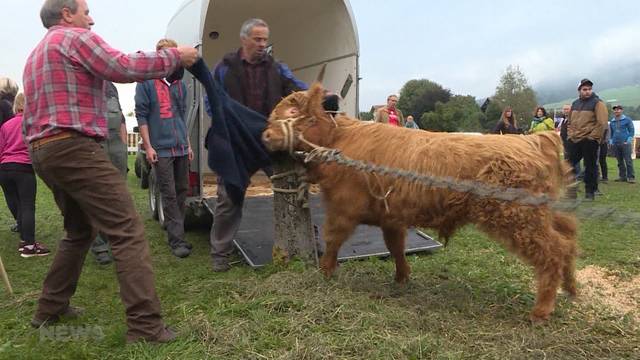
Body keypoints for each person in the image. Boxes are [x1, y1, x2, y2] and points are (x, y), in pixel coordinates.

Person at [23, 0, 198, 343]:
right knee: (127, 230)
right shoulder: (74, 38)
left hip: (43, 151)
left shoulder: (36, 54)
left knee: (78, 231)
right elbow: (122, 65)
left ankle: (49, 308)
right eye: (85, 11)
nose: (92, 18)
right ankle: (146, 327)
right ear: (67, 14)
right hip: (74, 147)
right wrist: (177, 57)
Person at [209, 18, 307, 272]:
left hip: (271, 140)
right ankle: (220, 253)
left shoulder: (278, 68)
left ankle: (308, 241)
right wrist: (225, 124)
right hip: (238, 143)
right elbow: (212, 101)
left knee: (293, 189)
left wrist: (317, 95)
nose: (263, 44)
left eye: (265, 39)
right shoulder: (224, 68)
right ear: (244, 39)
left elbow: (297, 90)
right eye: (258, 39)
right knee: (228, 198)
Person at [136, 38, 193, 258]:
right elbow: (141, 115)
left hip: (180, 147)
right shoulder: (146, 82)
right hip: (160, 148)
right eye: (165, 54)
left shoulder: (179, 83)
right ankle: (177, 240)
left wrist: (188, 143)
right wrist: (148, 147)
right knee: (168, 193)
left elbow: (182, 115)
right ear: (158, 56)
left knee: (181, 191)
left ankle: (177, 233)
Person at [0, 93, 49, 257]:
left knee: (15, 203)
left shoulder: (6, 125)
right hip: (23, 167)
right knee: (27, 205)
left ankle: (23, 235)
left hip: (5, 168)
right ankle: (28, 245)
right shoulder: (33, 124)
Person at [90, 82, 129, 265]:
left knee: (118, 195)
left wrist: (123, 144)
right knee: (98, 196)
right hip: (95, 142)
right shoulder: (83, 82)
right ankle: (100, 246)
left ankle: (117, 242)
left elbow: (121, 118)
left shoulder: (111, 86)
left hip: (116, 144)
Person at [566, 79, 608, 201]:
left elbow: (602, 123)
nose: (587, 91)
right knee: (567, 165)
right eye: (584, 89)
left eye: (589, 89)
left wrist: (592, 138)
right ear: (579, 90)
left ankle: (590, 193)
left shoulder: (598, 103)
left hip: (589, 140)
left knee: (590, 167)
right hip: (574, 140)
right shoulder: (574, 104)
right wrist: (570, 135)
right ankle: (571, 191)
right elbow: (569, 122)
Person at [0, 77, 20, 232]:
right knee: (19, 191)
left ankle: (20, 221)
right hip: (13, 153)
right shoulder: (10, 106)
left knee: (9, 191)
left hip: (3, 153)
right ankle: (22, 222)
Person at [609, 105, 635, 183]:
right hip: (616, 144)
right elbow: (612, 133)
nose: (616, 111)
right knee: (619, 161)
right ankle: (622, 177)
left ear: (622, 110)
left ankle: (631, 177)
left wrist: (628, 140)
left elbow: (631, 131)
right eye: (615, 110)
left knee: (628, 161)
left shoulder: (627, 119)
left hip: (625, 144)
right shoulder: (612, 121)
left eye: (618, 109)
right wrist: (611, 141)